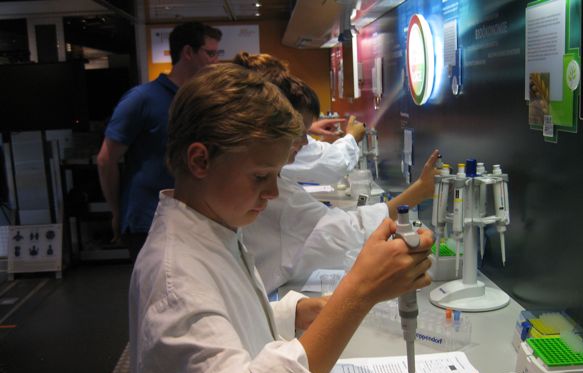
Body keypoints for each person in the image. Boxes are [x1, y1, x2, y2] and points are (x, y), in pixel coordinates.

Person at [129, 62, 433, 373]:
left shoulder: (213, 228)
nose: (272, 192)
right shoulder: (175, 278)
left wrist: (297, 312)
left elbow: (221, 324)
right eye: (260, 176)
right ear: (200, 160)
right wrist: (357, 294)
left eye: (276, 174)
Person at [233, 53, 440, 294]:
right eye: (298, 132)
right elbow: (344, 234)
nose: (304, 143)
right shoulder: (273, 199)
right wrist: (418, 192)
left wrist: (301, 309)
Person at [96, 22, 222, 260]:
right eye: (210, 53)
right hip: (149, 219)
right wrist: (117, 211)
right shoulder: (142, 99)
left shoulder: (199, 100)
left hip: (191, 216)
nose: (216, 61)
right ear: (188, 52)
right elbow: (106, 160)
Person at [233, 52, 366, 186]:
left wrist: (308, 128)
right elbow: (334, 164)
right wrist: (352, 137)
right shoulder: (269, 147)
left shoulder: (248, 140)